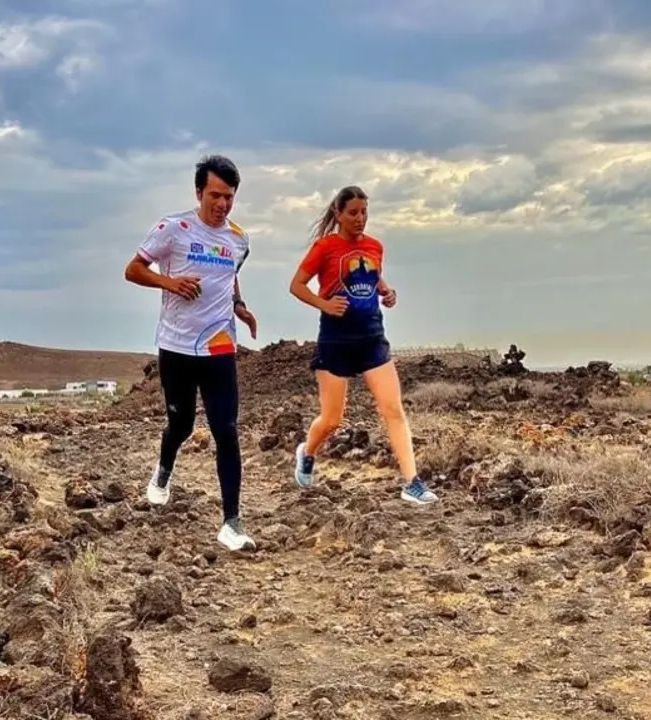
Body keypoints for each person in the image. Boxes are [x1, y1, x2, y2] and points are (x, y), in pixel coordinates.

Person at [123, 154, 259, 551]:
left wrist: (240, 306)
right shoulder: (173, 229)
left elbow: (229, 278)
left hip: (219, 345)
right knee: (181, 425)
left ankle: (231, 523)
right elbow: (133, 269)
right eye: (215, 195)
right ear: (199, 191)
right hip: (177, 346)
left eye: (229, 197)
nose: (222, 204)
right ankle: (163, 472)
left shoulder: (238, 239)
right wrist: (171, 282)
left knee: (226, 430)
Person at [287, 185, 438, 505]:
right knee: (332, 420)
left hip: (372, 338)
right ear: (339, 214)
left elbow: (372, 277)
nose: (360, 219)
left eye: (364, 212)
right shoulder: (325, 247)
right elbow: (296, 285)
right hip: (336, 340)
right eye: (353, 213)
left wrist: (388, 292)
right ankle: (307, 452)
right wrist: (324, 305)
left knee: (393, 409)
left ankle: (412, 482)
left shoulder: (375, 246)